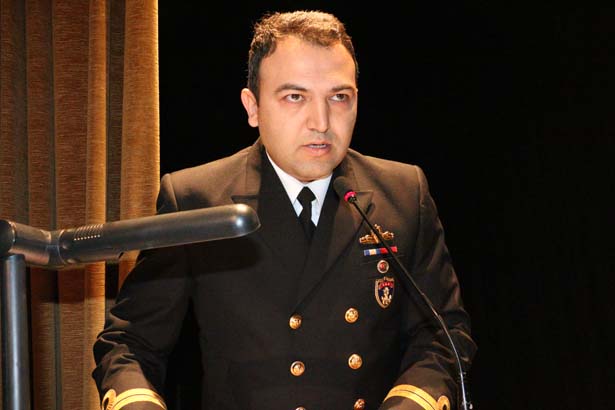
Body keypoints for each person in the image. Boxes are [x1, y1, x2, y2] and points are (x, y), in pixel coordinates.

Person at [92, 10, 477, 410]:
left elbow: (442, 335)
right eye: (295, 97)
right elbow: (130, 343)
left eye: (339, 97)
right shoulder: (198, 200)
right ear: (253, 107)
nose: (321, 122)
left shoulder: (403, 193)